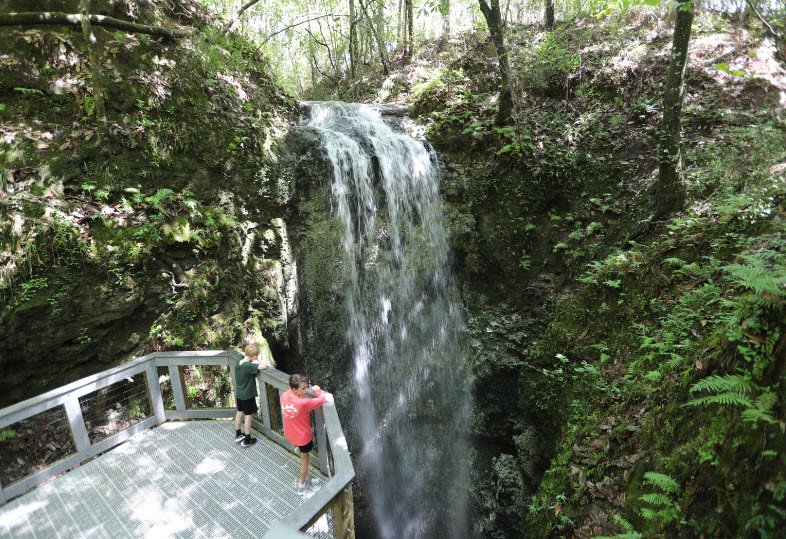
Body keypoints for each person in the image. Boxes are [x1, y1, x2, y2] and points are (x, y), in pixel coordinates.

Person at [280, 373, 326, 494]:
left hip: (291, 433)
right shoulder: (303, 403)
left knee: (299, 448)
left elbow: (292, 390)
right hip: (303, 438)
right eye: (304, 388)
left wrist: (303, 384)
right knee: (305, 460)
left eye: (307, 387)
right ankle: (301, 484)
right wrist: (317, 390)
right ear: (295, 389)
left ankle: (298, 449)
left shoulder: (284, 395)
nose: (306, 390)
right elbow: (322, 400)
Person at [234, 343, 267, 447]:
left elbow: (241, 353)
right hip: (247, 395)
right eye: (256, 355)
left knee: (239, 412)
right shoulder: (248, 366)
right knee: (248, 416)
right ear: (254, 356)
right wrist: (259, 360)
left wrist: (248, 355)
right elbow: (263, 366)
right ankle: (247, 439)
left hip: (239, 393)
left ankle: (238, 434)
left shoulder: (239, 360)